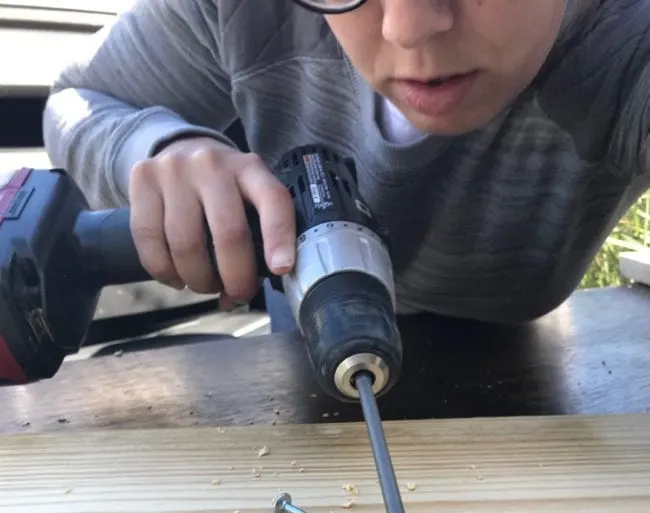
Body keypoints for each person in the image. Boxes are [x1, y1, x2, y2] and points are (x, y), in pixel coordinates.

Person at [43, 0, 650, 333]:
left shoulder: (627, 35)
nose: (407, 28)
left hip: (512, 341)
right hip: (299, 320)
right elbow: (76, 102)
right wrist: (155, 148)